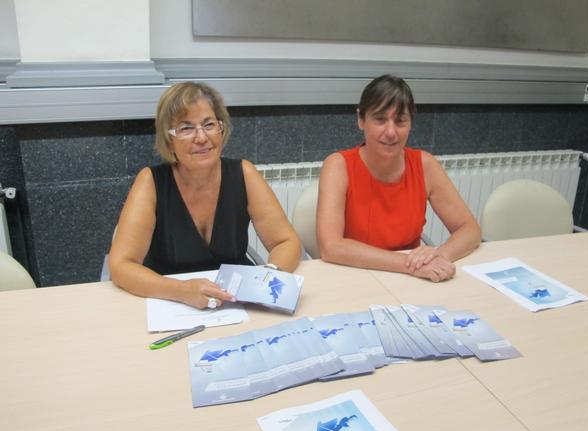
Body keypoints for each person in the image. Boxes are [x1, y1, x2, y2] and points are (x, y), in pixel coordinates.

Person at [109, 81, 301, 308]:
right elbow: (121, 265)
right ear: (169, 141)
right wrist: (181, 291)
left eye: (209, 124)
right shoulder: (151, 181)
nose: (201, 138)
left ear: (222, 129)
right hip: (169, 304)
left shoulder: (244, 173)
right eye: (186, 128)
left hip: (235, 302)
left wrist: (268, 276)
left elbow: (286, 242)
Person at [317, 75, 481, 282]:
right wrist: (409, 265)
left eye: (400, 121)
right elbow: (331, 247)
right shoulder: (338, 166)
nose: (391, 132)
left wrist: (438, 256)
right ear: (361, 120)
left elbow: (470, 229)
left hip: (411, 281)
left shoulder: (425, 165)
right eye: (380, 119)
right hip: (355, 277)